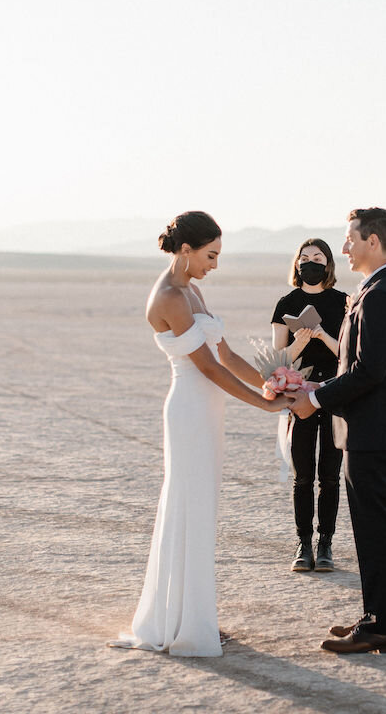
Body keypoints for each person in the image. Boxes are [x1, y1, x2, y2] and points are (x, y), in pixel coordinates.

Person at [109, 211, 288, 657]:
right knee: (188, 508)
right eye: (210, 255)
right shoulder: (169, 296)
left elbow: (224, 355)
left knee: (201, 509)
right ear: (185, 250)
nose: (215, 265)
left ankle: (196, 615)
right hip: (189, 409)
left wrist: (273, 379)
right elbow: (205, 368)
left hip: (209, 409)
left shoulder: (193, 288)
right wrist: (264, 405)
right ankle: (184, 624)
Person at [287, 207, 386, 654]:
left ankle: (380, 625)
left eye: (350, 239)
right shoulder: (377, 289)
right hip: (367, 428)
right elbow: (357, 365)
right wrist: (314, 385)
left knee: (375, 528)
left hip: (372, 430)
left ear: (373, 242)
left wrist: (316, 398)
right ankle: (377, 616)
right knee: (370, 527)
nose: (344, 247)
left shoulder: (381, 294)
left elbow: (369, 372)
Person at [270, 239, 348, 572]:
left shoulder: (343, 303)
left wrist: (322, 336)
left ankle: (325, 543)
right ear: (296, 264)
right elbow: (277, 361)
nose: (310, 263)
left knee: (329, 476)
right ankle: (303, 544)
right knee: (303, 477)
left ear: (328, 264)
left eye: (317, 258)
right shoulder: (285, 303)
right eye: (304, 258)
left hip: (334, 394)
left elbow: (349, 354)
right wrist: (298, 344)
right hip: (299, 398)